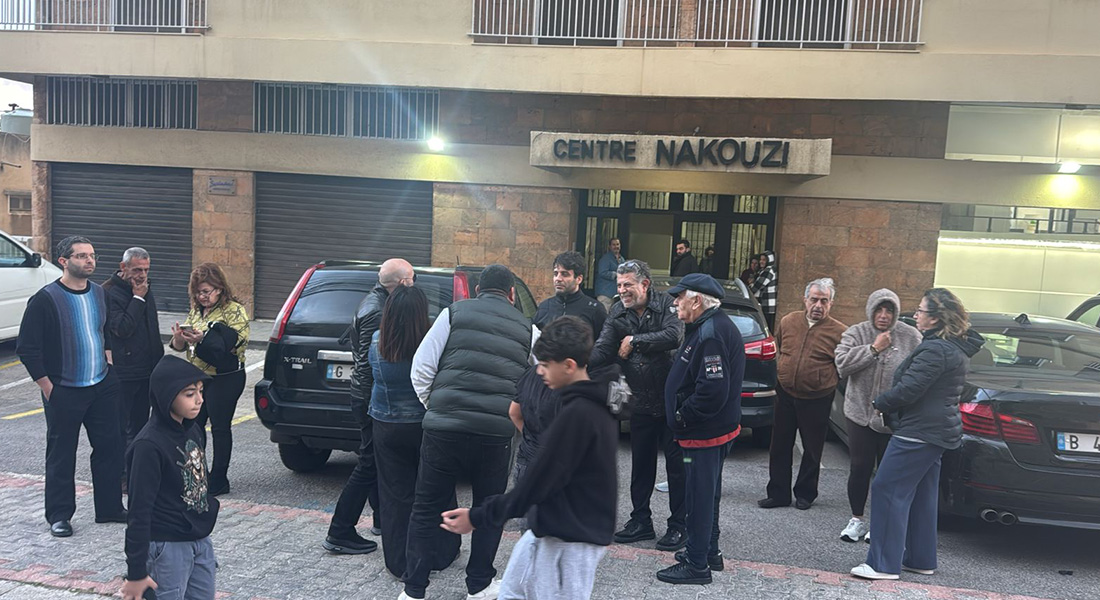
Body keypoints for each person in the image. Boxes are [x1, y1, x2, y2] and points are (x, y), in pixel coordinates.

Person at [440, 316, 618, 600]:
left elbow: (535, 485)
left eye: (545, 364)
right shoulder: (594, 405)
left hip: (568, 540)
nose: (540, 371)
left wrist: (477, 517)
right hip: (557, 530)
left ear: (568, 365)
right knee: (513, 592)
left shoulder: (578, 415)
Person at [403, 264, 539, 600]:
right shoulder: (529, 329)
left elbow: (421, 368)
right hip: (495, 434)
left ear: (478, 290)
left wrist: (436, 407)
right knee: (489, 508)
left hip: (442, 430)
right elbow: (540, 381)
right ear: (511, 294)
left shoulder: (452, 314)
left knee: (426, 506)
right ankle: (478, 585)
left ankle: (414, 589)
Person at [851, 289, 984, 580]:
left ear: (935, 318)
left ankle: (882, 564)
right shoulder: (951, 348)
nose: (916, 315)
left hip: (919, 432)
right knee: (923, 495)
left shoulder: (936, 350)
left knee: (887, 488)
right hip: (935, 432)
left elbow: (910, 388)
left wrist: (880, 402)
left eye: (921, 310)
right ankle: (920, 559)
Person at [17, 235, 126, 538]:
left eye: (92, 255)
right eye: (81, 256)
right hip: (64, 388)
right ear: (64, 261)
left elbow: (104, 332)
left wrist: (109, 363)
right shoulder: (46, 299)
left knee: (110, 447)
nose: (89, 261)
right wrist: (48, 387)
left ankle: (109, 508)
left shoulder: (100, 294)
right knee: (62, 453)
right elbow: (28, 348)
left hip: (102, 384)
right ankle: (60, 515)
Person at [590, 259, 687, 552]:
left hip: (672, 402)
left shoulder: (667, 304)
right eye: (619, 285)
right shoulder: (617, 311)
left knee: (677, 468)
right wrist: (575, 363)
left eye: (627, 285)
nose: (622, 290)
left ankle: (679, 525)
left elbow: (674, 336)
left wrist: (634, 340)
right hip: (640, 402)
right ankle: (640, 521)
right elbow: (604, 347)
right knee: (641, 466)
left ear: (644, 284)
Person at [657, 274, 744, 585]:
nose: (675, 302)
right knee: (707, 494)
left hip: (704, 434)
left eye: (680, 296)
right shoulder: (707, 326)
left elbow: (712, 391)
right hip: (706, 432)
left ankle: (697, 565)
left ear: (696, 300)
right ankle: (707, 552)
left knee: (699, 497)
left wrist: (682, 416)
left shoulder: (711, 334)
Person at [324, 258, 415, 555]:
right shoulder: (378, 310)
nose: (414, 284)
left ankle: (380, 520)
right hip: (369, 398)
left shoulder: (375, 300)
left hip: (366, 396)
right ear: (402, 283)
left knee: (375, 461)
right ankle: (340, 530)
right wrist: (377, 402)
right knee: (368, 463)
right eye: (412, 278)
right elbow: (369, 363)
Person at [367, 285, 459, 577]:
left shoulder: (377, 341)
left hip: (385, 423)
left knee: (395, 495)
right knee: (436, 489)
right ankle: (441, 552)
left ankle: (399, 560)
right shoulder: (432, 342)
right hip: (424, 425)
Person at [120, 356, 219, 600]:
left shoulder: (193, 429)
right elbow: (139, 511)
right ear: (167, 395)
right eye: (189, 394)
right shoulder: (148, 446)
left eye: (201, 391)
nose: (199, 400)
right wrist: (136, 572)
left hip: (199, 539)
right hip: (167, 546)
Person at [834, 289, 921, 543]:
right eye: (879, 310)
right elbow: (842, 365)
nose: (883, 315)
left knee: (886, 472)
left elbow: (918, 373)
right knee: (860, 466)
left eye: (889, 310)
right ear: (870, 310)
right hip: (859, 413)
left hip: (892, 418)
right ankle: (856, 519)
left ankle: (880, 522)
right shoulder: (856, 332)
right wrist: (873, 349)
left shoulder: (911, 336)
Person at [759, 278, 846, 511]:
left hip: (818, 398)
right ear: (805, 300)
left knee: (812, 449)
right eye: (814, 299)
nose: (818, 305)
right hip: (785, 393)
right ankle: (778, 494)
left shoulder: (840, 332)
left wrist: (822, 379)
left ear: (831, 303)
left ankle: (806, 494)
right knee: (779, 446)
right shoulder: (788, 321)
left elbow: (843, 365)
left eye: (824, 301)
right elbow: (781, 348)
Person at [169, 263, 249, 497]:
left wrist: (204, 338)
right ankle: (198, 474)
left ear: (220, 288)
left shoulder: (233, 310)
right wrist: (179, 339)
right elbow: (180, 347)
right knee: (193, 426)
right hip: (198, 378)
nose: (201, 297)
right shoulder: (197, 311)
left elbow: (238, 344)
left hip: (224, 378)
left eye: (206, 291)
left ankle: (219, 479)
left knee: (220, 427)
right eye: (197, 292)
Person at [102, 247, 163, 472]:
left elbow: (151, 327)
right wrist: (138, 298)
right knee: (122, 427)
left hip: (148, 370)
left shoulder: (145, 287)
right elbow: (121, 328)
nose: (142, 275)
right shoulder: (108, 292)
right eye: (137, 270)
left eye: (146, 270)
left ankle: (137, 471)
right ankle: (122, 474)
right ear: (123, 267)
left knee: (142, 425)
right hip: (125, 372)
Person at [533, 250, 607, 337]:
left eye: (565, 274)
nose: (558, 279)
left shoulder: (595, 310)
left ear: (579, 279)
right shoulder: (544, 307)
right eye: (556, 274)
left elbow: (604, 343)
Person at [509, 365, 561, 488]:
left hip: (528, 459)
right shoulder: (573, 381)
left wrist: (530, 435)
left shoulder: (531, 373)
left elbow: (514, 413)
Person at [595, 238, 624, 311]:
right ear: (610, 246)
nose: (616, 246)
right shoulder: (605, 258)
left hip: (616, 294)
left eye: (617, 244)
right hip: (605, 293)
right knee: (604, 314)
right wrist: (616, 274)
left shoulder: (622, 259)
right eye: (613, 245)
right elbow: (602, 272)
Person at [751, 251, 777, 331]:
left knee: (765, 328)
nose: (761, 262)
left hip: (767, 305)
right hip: (766, 305)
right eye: (760, 259)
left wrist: (750, 290)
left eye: (764, 260)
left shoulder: (768, 271)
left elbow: (758, 285)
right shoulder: (765, 270)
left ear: (769, 260)